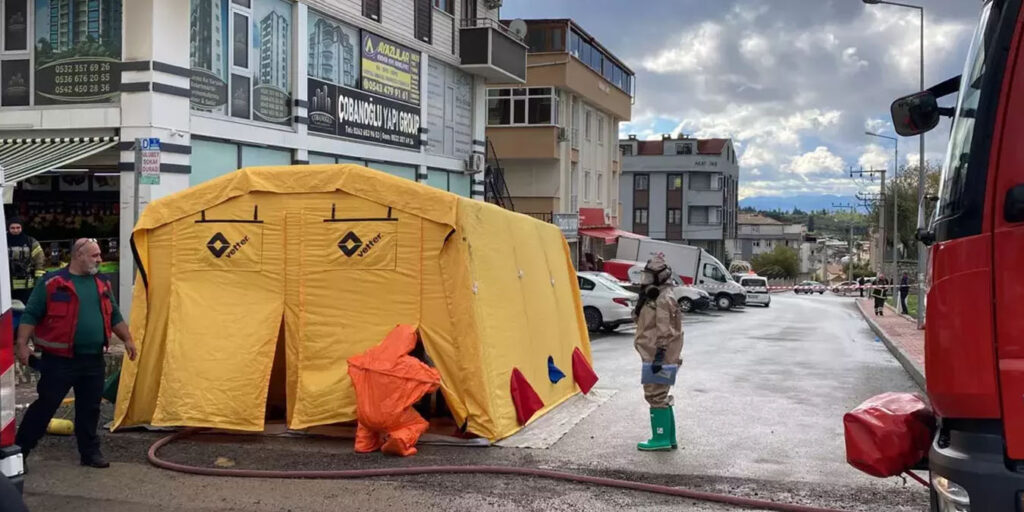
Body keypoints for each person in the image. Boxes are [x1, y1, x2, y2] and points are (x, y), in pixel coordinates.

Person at [15, 238, 137, 469]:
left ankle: (90, 454)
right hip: (59, 361)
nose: (100, 259)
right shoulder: (52, 282)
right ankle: (20, 453)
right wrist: (22, 344)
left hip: (93, 359)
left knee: (90, 408)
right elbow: (30, 314)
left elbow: (114, 316)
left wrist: (128, 339)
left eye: (100, 255)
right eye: (95, 255)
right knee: (46, 406)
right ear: (78, 255)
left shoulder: (102, 283)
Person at [632, 256, 683, 451]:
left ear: (659, 278)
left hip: (658, 355)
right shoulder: (662, 296)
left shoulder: (662, 299)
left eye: (648, 276)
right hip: (659, 353)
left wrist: (660, 356)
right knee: (661, 394)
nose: (644, 280)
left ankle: (660, 438)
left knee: (655, 394)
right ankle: (669, 438)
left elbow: (664, 330)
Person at [7, 217, 46, 305]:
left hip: (27, 284)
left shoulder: (30, 241)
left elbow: (39, 259)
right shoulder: (3, 241)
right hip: (7, 285)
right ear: (8, 229)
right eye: (12, 228)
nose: (15, 230)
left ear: (22, 228)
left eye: (18, 228)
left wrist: (39, 278)